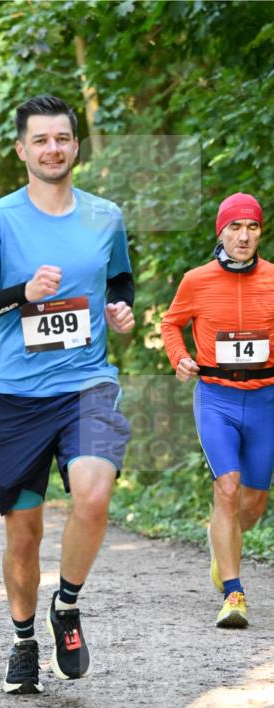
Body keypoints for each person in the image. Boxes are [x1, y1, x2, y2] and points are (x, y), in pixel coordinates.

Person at [0, 93, 135, 695]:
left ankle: (69, 604)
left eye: (62, 138)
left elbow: (120, 277)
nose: (52, 149)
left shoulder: (104, 215)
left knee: (93, 493)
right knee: (23, 533)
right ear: (21, 149)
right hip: (16, 396)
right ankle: (24, 639)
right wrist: (22, 292)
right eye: (40, 140)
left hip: (87, 381)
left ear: (75, 145)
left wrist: (120, 309)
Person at [161, 192, 274, 629]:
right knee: (227, 488)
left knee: (254, 501)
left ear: (260, 232)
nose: (243, 236)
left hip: (265, 399)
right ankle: (233, 592)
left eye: (252, 227)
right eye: (235, 227)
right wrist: (179, 357)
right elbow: (171, 322)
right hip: (216, 397)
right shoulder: (196, 280)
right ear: (220, 232)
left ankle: (222, 543)